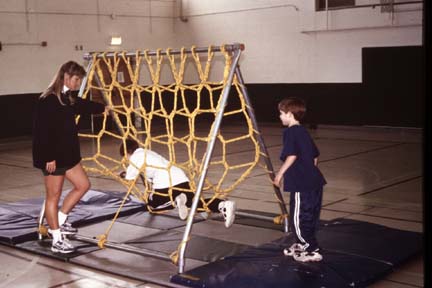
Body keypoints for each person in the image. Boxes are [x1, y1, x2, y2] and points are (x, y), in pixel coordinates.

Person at [32, 61, 108, 254]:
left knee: (83, 185)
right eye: (76, 79)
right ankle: (56, 238)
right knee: (53, 196)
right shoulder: (48, 99)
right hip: (53, 157)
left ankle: (61, 220)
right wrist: (49, 157)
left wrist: (103, 108)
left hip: (68, 155)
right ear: (66, 77)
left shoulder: (69, 98)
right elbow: (42, 132)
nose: (78, 83)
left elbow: (82, 105)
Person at [119, 138, 236, 228]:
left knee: (152, 205)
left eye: (126, 157)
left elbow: (130, 177)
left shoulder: (135, 157)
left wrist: (122, 175)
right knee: (194, 203)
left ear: (128, 152)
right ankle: (223, 205)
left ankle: (176, 200)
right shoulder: (147, 152)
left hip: (166, 183)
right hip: (181, 178)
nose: (127, 159)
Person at [273, 97, 327, 262]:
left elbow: (292, 155)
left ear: (289, 114)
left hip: (301, 184)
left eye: (282, 114)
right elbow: (315, 157)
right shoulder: (303, 131)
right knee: (310, 215)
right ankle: (302, 244)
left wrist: (280, 174)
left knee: (298, 217)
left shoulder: (290, 132)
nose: (280, 117)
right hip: (315, 182)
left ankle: (311, 249)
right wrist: (309, 171)